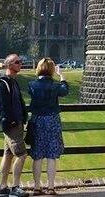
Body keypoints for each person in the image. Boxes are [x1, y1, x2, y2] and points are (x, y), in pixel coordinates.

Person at [28, 58, 68, 195]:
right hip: (52, 120)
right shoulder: (55, 86)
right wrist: (62, 76)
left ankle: (37, 187)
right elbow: (65, 90)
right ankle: (51, 187)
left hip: (37, 120)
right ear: (51, 70)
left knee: (37, 155)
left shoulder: (32, 85)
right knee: (51, 155)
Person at [0, 54, 29, 197]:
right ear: (8, 65)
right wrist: (10, 122)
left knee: (8, 155)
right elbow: (2, 106)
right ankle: (15, 187)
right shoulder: (3, 84)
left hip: (15, 123)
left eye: (20, 62)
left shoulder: (13, 82)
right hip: (12, 125)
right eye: (17, 62)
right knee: (22, 154)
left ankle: (2, 187)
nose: (20, 64)